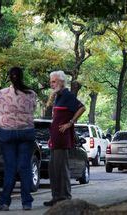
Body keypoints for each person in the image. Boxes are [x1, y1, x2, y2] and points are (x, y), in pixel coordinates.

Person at [0, 67, 37, 211]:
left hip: (7, 132)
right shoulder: (31, 93)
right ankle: (26, 202)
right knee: (25, 167)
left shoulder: (2, 93)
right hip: (26, 132)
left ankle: (5, 202)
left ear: (9, 77)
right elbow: (33, 109)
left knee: (10, 168)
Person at [43, 70, 86, 207]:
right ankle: (56, 197)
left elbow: (82, 108)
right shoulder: (57, 96)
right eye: (51, 82)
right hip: (55, 138)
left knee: (62, 168)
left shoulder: (67, 95)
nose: (51, 84)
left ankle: (65, 197)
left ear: (61, 82)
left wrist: (70, 123)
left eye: (54, 81)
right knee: (53, 169)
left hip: (63, 138)